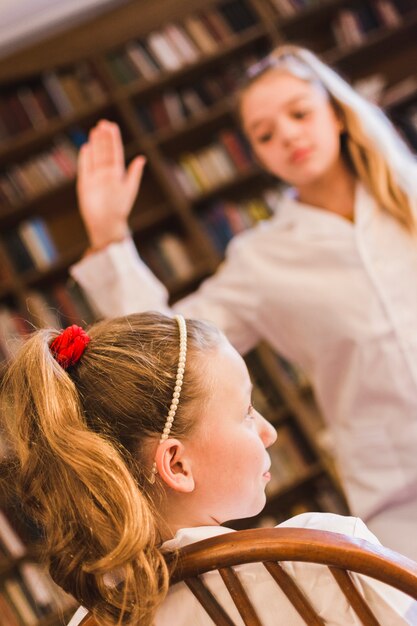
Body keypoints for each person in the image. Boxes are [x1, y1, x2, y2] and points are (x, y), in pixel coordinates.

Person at [70, 45, 417, 560]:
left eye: (299, 113)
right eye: (265, 134)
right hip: (396, 493)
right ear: (257, 154)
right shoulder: (260, 259)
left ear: (338, 114)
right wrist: (109, 237)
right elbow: (172, 343)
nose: (289, 136)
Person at [1, 312, 416, 626]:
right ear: (177, 465)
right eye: (247, 412)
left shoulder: (97, 620)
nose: (269, 432)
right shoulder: (326, 560)